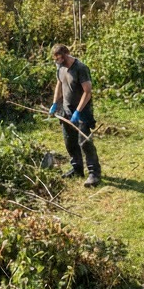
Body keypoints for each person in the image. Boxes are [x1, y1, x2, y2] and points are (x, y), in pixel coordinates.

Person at [49, 43, 101, 187]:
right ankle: (77, 169)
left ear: (65, 55)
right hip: (66, 110)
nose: (57, 62)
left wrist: (78, 111)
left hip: (82, 111)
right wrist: (55, 103)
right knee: (69, 141)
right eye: (55, 59)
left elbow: (87, 91)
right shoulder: (60, 67)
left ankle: (94, 173)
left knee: (84, 142)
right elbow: (59, 84)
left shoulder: (81, 68)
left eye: (59, 58)